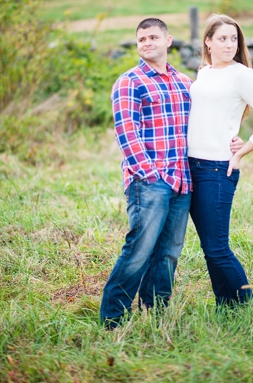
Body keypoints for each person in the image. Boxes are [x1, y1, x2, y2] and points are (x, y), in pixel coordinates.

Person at [100, 17, 242, 329]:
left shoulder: (184, 83)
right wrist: (151, 175)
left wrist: (232, 139)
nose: (147, 43)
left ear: (168, 41)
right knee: (139, 250)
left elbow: (205, 124)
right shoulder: (129, 82)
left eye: (153, 37)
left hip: (183, 181)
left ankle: (156, 313)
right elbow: (127, 134)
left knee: (168, 254)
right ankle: (113, 319)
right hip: (149, 181)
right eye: (141, 40)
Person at [187, 14, 253, 307]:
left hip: (217, 169)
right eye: (222, 38)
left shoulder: (242, 74)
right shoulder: (203, 73)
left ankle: (248, 305)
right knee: (208, 247)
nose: (229, 44)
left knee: (218, 249)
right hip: (191, 167)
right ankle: (226, 307)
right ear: (208, 41)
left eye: (233, 39)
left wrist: (241, 151)